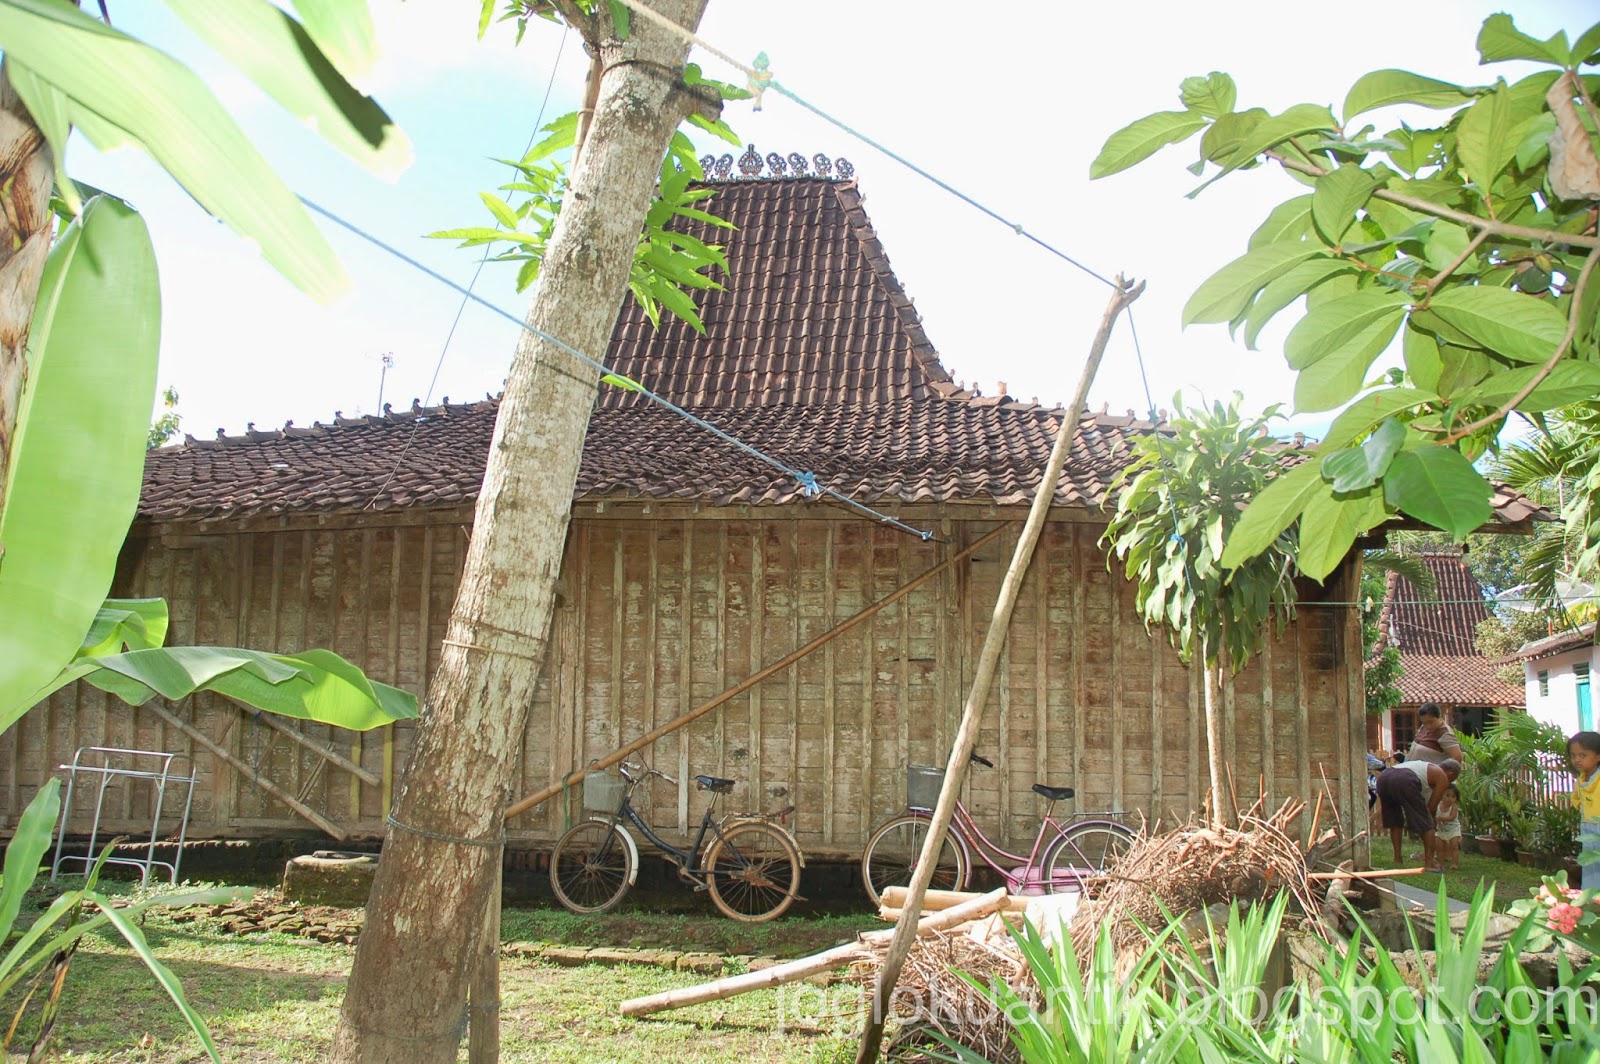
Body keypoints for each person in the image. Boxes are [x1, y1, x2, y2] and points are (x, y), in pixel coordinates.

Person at [1376, 757, 1460, 872]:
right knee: (1427, 823)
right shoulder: (1442, 776)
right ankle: (1429, 863)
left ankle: (1397, 859)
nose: (1448, 784)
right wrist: (1431, 824)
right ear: (1450, 773)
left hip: (1384, 778)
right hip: (1405, 779)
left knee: (1395, 821)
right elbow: (1431, 808)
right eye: (1451, 780)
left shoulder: (1425, 767)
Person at [1569, 732, 1600, 891]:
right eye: (1573, 755)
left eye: (1583, 755)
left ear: (1598, 757)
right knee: (1590, 865)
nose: (1577, 759)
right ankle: (1591, 901)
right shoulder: (1581, 779)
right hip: (1587, 828)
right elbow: (1576, 799)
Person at [1434, 783, 1462, 871]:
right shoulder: (1437, 805)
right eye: (1447, 795)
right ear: (1441, 795)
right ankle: (1441, 863)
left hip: (1453, 830)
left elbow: (1451, 817)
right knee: (1439, 847)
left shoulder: (1454, 807)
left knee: (1454, 846)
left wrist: (1440, 818)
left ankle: (1454, 863)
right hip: (1441, 830)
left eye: (1453, 797)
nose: (1450, 799)